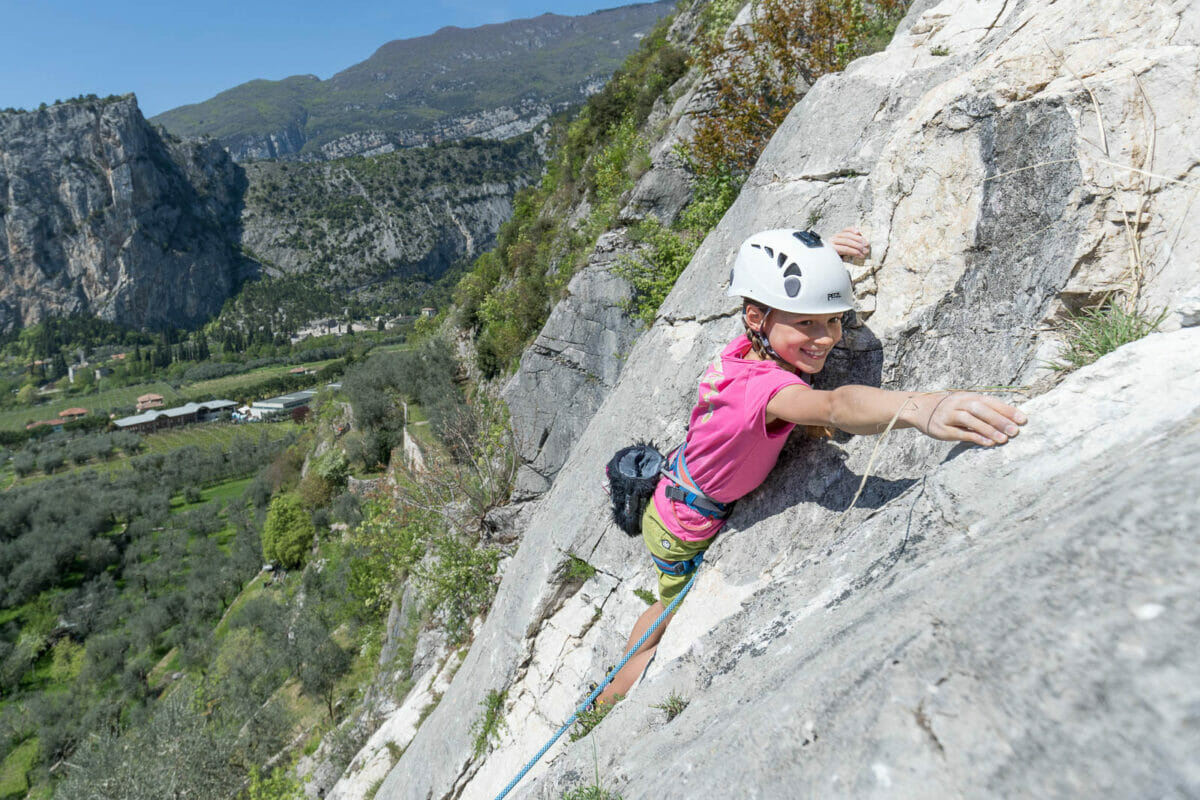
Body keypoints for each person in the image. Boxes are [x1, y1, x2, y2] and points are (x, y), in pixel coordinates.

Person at [596, 227, 1028, 705]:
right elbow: (835, 408)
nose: (825, 338)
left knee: (662, 603)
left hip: (676, 487)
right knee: (668, 613)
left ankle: (621, 665)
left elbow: (779, 299)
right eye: (808, 324)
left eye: (834, 320)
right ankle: (607, 696)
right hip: (682, 525)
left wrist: (826, 259)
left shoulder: (753, 344)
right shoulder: (763, 391)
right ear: (757, 317)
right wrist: (920, 408)